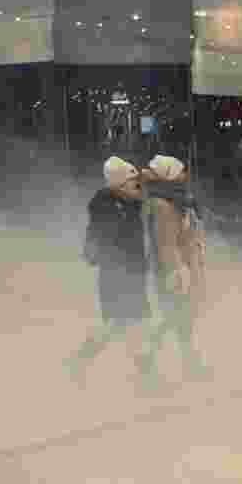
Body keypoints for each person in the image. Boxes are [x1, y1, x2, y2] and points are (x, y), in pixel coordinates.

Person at [66, 156, 153, 383]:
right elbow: (104, 244)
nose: (138, 187)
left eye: (137, 184)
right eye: (132, 184)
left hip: (131, 275)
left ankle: (79, 362)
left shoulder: (128, 204)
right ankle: (146, 378)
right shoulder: (107, 208)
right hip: (117, 278)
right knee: (132, 327)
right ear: (118, 187)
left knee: (119, 327)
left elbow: (140, 187)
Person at [140, 155, 209, 378]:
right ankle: (149, 359)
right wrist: (175, 271)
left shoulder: (175, 202)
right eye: (180, 172)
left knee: (179, 319)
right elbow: (165, 243)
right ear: (169, 177)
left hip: (181, 268)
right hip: (173, 272)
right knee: (174, 317)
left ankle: (184, 362)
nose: (185, 176)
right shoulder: (162, 206)